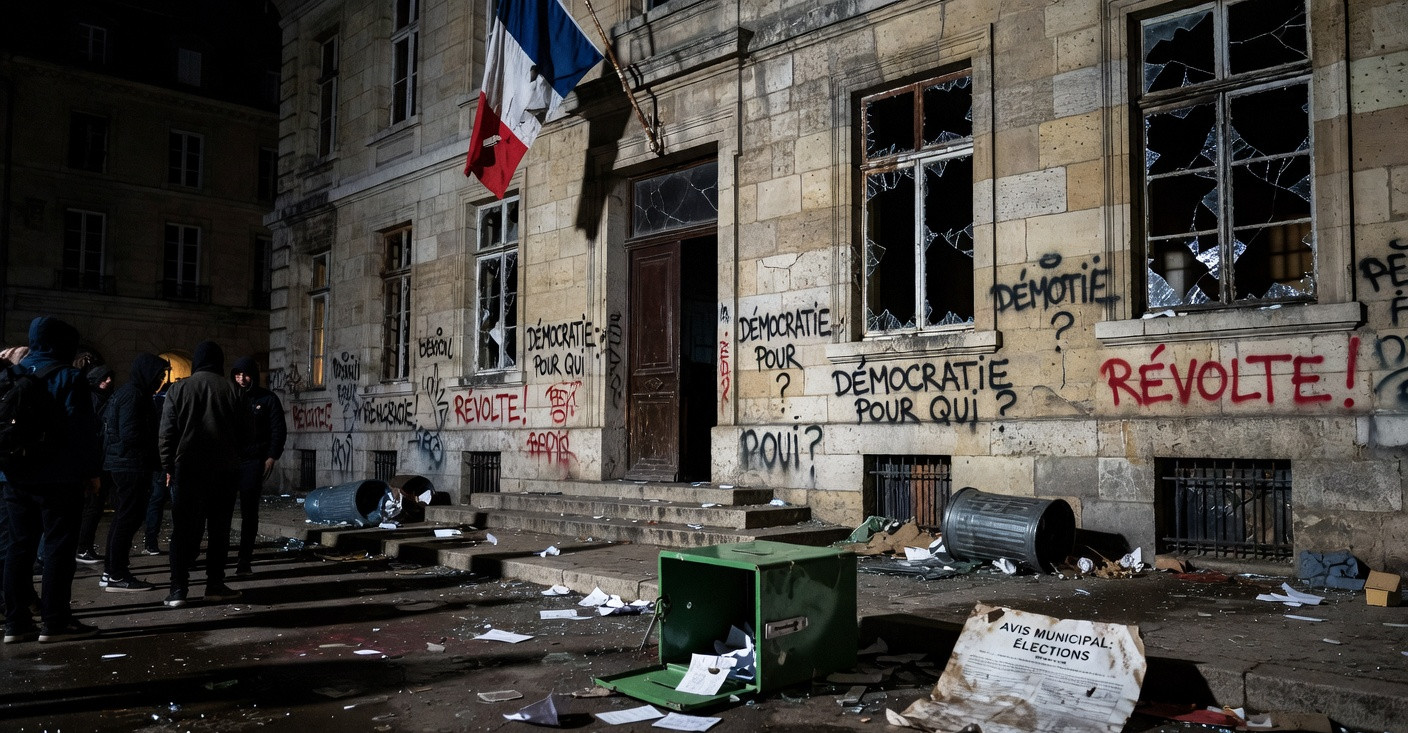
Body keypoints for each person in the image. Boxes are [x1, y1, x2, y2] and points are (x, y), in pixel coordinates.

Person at [2, 317, 102, 643]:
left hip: (14, 475)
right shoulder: (69, 376)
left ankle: (16, 623)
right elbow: (82, 431)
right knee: (58, 548)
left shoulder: (12, 374)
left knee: (18, 548)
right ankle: (55, 620)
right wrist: (90, 473)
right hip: (59, 477)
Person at [158, 341, 249, 607]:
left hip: (188, 469)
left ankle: (178, 589)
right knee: (219, 530)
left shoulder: (179, 389)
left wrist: (168, 466)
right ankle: (214, 584)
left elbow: (166, 434)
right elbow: (247, 434)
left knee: (183, 529)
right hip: (224, 470)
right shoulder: (234, 391)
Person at [99, 354, 169, 592]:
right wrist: (152, 454)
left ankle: (112, 571)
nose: (160, 380)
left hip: (125, 464)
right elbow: (131, 434)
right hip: (129, 466)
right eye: (158, 375)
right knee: (127, 519)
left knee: (123, 519)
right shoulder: (134, 395)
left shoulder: (130, 392)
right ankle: (117, 573)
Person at [230, 356, 286, 576]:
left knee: (249, 513)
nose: (241, 379)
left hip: (253, 461)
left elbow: (278, 429)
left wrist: (271, 456)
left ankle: (244, 560)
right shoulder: (230, 397)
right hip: (230, 461)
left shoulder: (268, 399)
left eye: (245, 374)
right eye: (237, 374)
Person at [75, 363, 115, 564]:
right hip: (93, 459)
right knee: (92, 506)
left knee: (94, 506)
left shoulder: (103, 399)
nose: (108, 381)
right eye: (104, 377)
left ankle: (84, 546)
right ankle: (82, 547)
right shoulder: (92, 399)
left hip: (98, 457)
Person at [142, 378, 172, 555]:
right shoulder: (169, 404)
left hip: (154, 458)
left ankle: (151, 542)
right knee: (161, 499)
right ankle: (152, 543)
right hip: (165, 459)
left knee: (155, 500)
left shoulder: (153, 402)